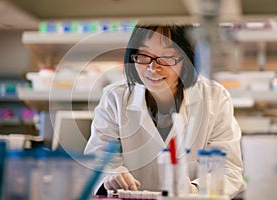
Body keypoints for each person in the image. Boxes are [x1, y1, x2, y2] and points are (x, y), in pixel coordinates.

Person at [84, 22, 244, 198]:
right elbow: (97, 160)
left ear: (187, 58)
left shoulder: (215, 97)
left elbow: (229, 170)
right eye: (144, 55)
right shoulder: (115, 98)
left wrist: (192, 190)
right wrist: (110, 175)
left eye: (167, 57)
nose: (153, 68)